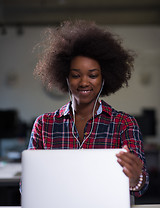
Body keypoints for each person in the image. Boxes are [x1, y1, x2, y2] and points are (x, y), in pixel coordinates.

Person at [28, 20, 149, 198]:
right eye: (76, 75)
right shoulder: (44, 124)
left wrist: (135, 179)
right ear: (66, 78)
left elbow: (141, 184)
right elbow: (27, 185)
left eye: (92, 75)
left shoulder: (124, 124)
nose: (84, 82)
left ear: (104, 77)